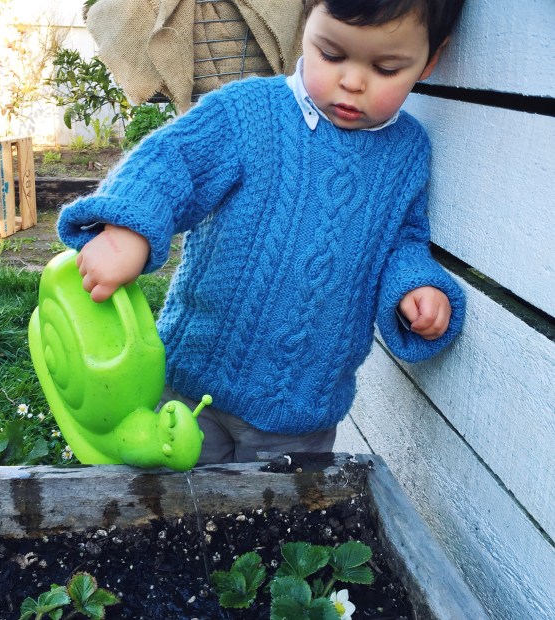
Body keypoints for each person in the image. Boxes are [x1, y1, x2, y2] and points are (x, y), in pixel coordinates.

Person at [58, 0, 467, 464]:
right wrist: (127, 230)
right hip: (192, 381)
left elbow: (402, 239)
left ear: (430, 61)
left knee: (273, 524)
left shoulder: (407, 153)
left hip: (301, 410)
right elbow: (173, 163)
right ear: (304, 23)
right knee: (172, 500)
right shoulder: (248, 114)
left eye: (387, 67)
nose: (352, 82)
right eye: (331, 55)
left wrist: (416, 285)